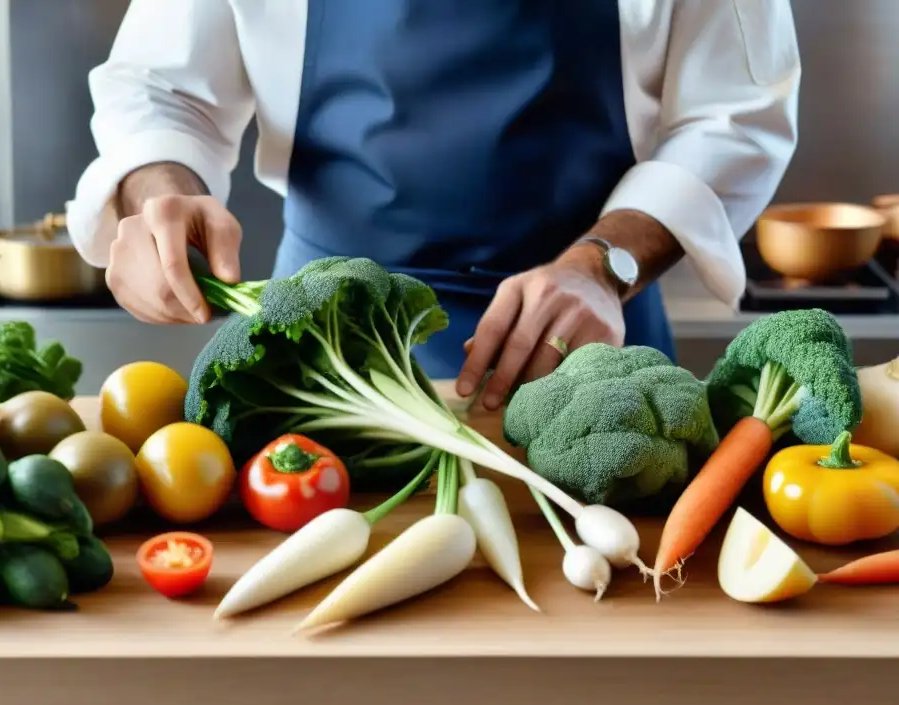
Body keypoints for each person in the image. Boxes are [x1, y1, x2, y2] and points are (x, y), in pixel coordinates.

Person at [67, 0, 800, 410]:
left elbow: (732, 115)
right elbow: (161, 89)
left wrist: (602, 266)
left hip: (585, 347)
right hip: (323, 342)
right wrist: (157, 192)